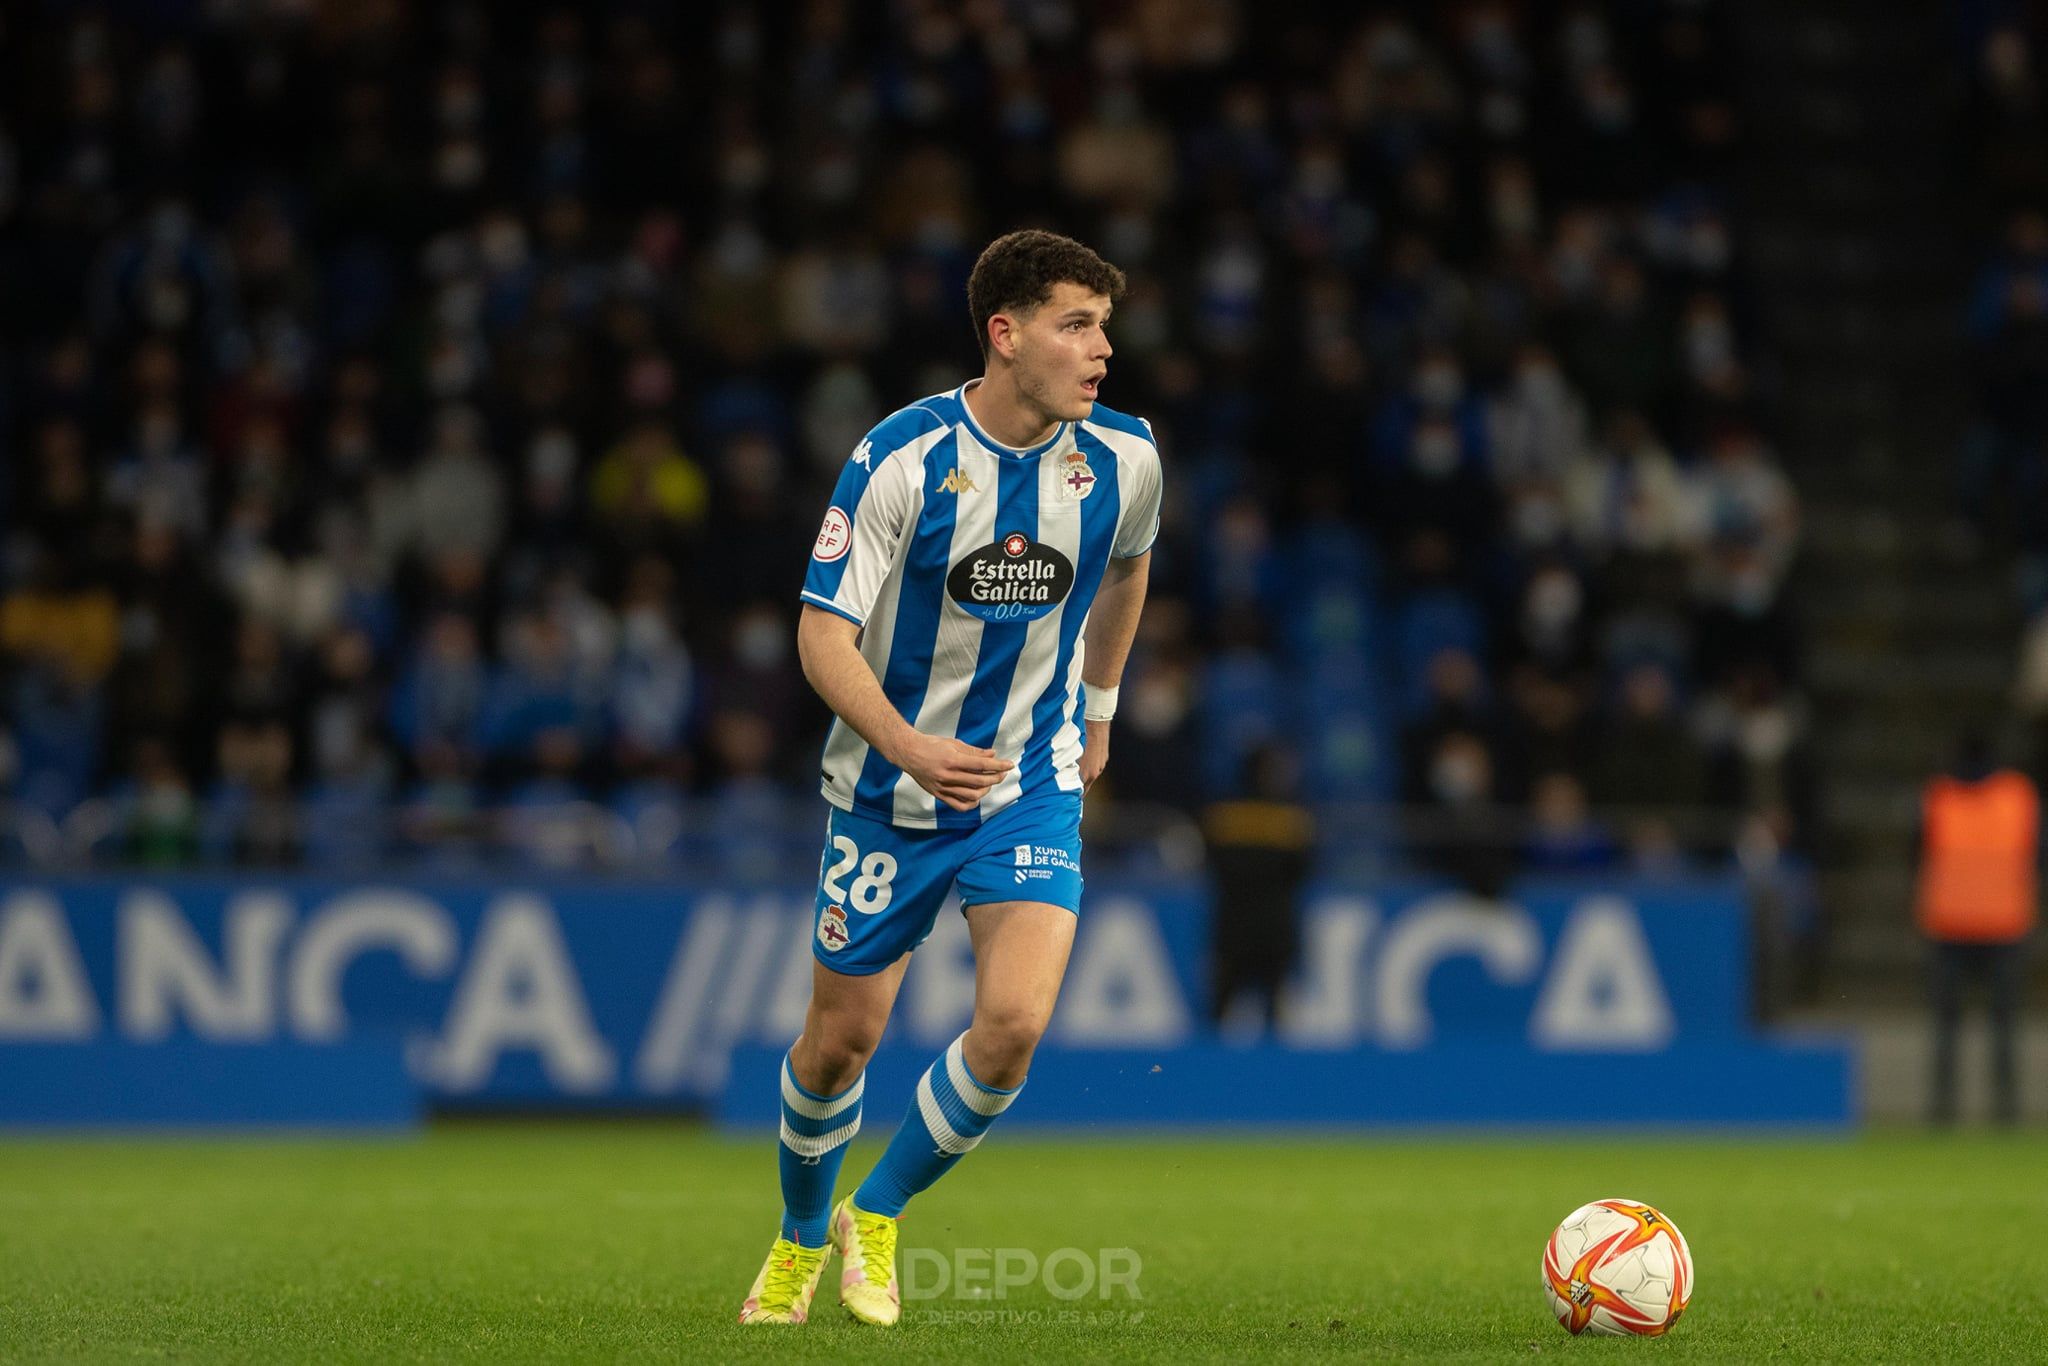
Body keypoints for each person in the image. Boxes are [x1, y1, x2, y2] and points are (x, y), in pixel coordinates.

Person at [739, 230, 1161, 1326]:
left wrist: (1100, 709)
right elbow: (819, 634)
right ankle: (795, 1236)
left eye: (1105, 326)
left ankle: (871, 1213)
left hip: (1028, 782)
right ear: (1005, 334)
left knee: (1014, 1021)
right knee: (839, 1045)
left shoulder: (1123, 459)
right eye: (1077, 324)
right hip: (886, 791)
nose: (1101, 348)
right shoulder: (901, 457)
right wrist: (908, 744)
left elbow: (1126, 566)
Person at [1914, 731, 2038, 1125]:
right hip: (1999, 923)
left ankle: (1944, 1110)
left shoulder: (1939, 796)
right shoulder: (2018, 795)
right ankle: (2003, 1111)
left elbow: (1916, 854)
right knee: (1999, 1026)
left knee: (1950, 1027)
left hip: (1957, 924)